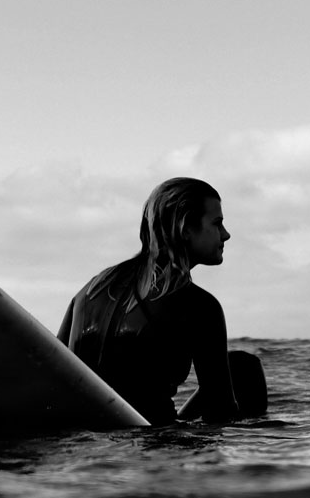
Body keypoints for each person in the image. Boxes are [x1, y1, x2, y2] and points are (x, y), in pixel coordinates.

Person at [57, 177, 266, 425]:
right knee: (247, 372)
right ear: (185, 228)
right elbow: (220, 411)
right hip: (152, 446)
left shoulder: (90, 290)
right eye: (217, 223)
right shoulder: (199, 306)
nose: (226, 234)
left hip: (86, 442)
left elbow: (51, 374)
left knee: (240, 365)